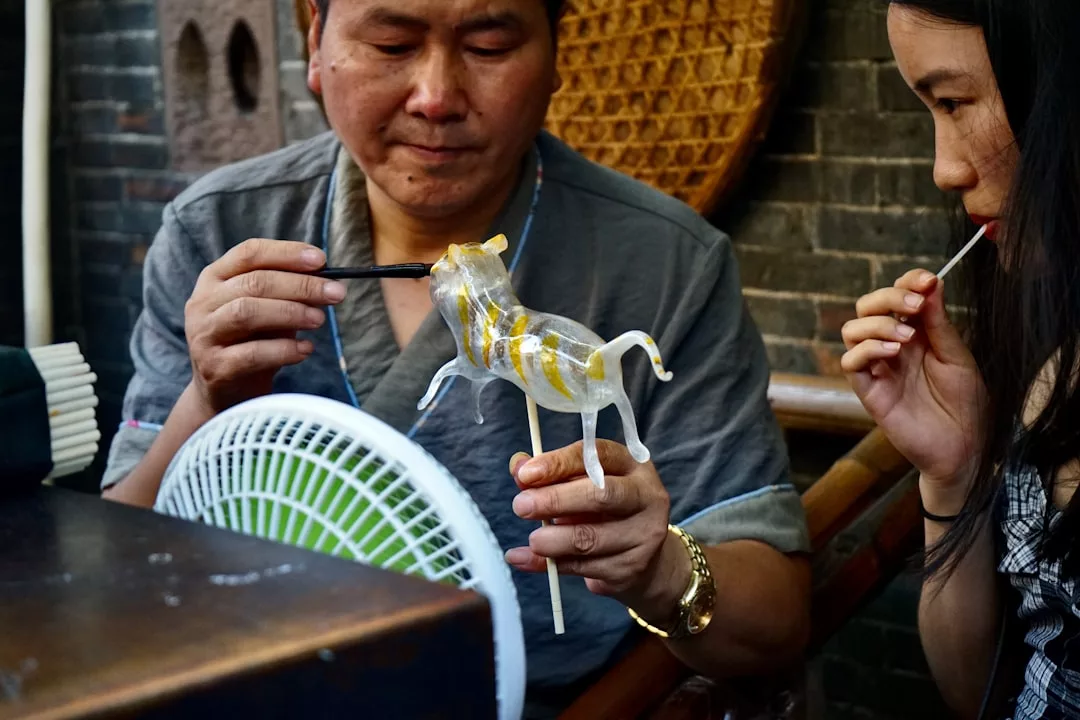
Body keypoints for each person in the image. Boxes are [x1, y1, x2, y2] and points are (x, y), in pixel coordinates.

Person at [101, 0, 811, 714]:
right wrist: (208, 401)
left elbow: (775, 625)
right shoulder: (216, 233)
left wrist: (655, 568)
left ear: (556, 54)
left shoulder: (666, 265)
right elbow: (113, 572)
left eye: (491, 45)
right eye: (392, 42)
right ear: (315, 42)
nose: (437, 97)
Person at [841, 1, 1080, 718]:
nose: (943, 168)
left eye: (954, 101)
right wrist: (954, 475)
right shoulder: (1053, 355)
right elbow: (980, 691)